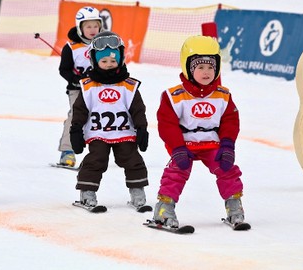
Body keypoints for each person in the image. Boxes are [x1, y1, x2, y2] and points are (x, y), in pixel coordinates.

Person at [150, 35, 246, 228]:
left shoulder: (223, 95)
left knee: (227, 169)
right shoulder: (174, 96)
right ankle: (164, 208)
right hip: (184, 144)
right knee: (177, 171)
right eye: (200, 67)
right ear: (188, 68)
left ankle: (234, 206)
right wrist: (177, 148)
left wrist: (227, 145)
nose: (206, 72)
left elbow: (230, 121)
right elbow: (166, 123)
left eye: (211, 67)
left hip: (212, 143)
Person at [70, 31, 150, 208]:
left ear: (120, 61)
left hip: (124, 133)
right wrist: (75, 129)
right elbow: (80, 110)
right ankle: (87, 192)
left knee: (133, 160)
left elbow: (138, 109)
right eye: (104, 61)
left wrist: (142, 128)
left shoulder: (128, 86)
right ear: (94, 61)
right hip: (98, 133)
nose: (108, 64)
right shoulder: (89, 86)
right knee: (96, 160)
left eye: (113, 61)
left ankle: (138, 192)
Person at [57, 6, 103, 167]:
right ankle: (67, 151)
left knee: (98, 118)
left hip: (98, 89)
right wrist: (75, 79)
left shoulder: (103, 45)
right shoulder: (71, 48)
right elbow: (64, 70)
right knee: (75, 116)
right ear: (80, 27)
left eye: (96, 26)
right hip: (77, 90)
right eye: (88, 26)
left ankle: (98, 153)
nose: (92, 30)